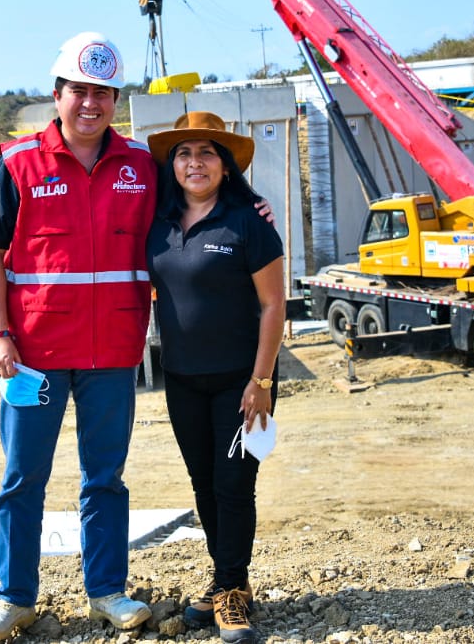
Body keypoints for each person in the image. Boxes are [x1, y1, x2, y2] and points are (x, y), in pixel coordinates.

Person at [0, 31, 156, 640]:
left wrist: (250, 207)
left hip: (112, 354)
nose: (91, 104)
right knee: (23, 479)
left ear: (116, 100)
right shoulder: (19, 163)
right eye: (80, 91)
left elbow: (200, 203)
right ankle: (14, 598)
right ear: (58, 95)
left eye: (103, 93)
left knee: (105, 480)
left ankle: (107, 592)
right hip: (32, 357)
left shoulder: (143, 167)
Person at [145, 112, 286, 644]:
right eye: (184, 153)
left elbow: (274, 306)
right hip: (182, 380)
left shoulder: (249, 222)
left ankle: (230, 591)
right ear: (173, 166)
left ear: (225, 165)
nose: (194, 162)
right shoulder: (157, 223)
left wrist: (261, 381)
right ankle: (229, 580)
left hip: (241, 383)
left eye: (206, 152)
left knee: (234, 486)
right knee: (204, 485)